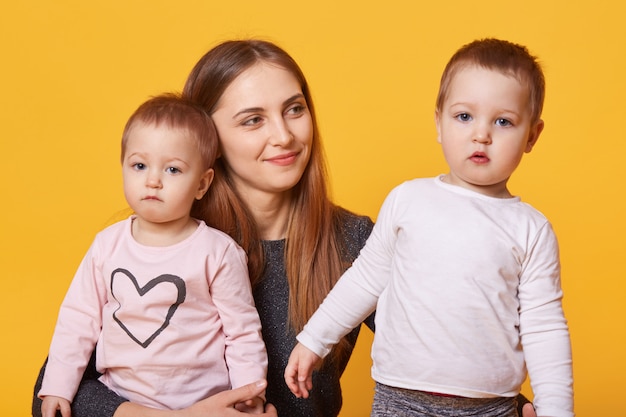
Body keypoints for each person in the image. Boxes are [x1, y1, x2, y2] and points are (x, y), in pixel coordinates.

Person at [32, 39, 537, 417]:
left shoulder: (354, 240)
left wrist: (515, 404)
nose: (284, 134)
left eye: (294, 109)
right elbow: (55, 386)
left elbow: (446, 343)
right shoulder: (163, 239)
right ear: (207, 139)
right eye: (253, 119)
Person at [285, 38, 573, 417]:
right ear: (438, 122)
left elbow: (544, 328)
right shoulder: (408, 201)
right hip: (400, 399)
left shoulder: (531, 229)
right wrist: (313, 339)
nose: (481, 134)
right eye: (464, 116)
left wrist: (556, 411)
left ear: (532, 136)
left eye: (503, 121)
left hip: (491, 406)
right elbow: (365, 279)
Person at [37, 94, 268, 416]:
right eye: (139, 165)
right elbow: (78, 318)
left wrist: (249, 393)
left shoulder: (217, 252)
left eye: (173, 169)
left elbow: (241, 331)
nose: (153, 180)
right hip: (122, 398)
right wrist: (59, 387)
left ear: (202, 184)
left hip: (204, 403)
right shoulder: (107, 245)